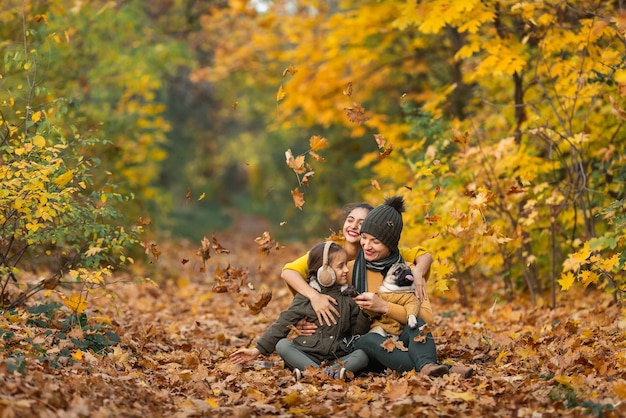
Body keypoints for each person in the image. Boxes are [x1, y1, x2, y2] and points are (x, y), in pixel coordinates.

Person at [351, 195, 473, 377]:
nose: (366, 246)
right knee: (370, 339)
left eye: (375, 241)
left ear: (390, 244)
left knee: (418, 323)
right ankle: (439, 368)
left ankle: (427, 368)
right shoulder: (350, 268)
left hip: (402, 339)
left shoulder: (408, 271)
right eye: (364, 237)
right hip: (368, 343)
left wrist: (385, 307)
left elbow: (426, 317)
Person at [230, 242, 371, 380]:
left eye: (346, 264)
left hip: (337, 358)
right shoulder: (305, 297)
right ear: (324, 271)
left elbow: (357, 332)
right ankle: (323, 374)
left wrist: (364, 314)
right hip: (307, 354)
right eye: (341, 266)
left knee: (362, 355)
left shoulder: (349, 297)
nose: (346, 270)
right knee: (282, 345)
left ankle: (312, 373)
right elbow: (282, 324)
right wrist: (256, 351)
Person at [281, 202, 433, 328]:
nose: (353, 226)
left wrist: (417, 273)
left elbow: (424, 255)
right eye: (350, 220)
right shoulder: (330, 251)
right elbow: (289, 272)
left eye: (361, 223)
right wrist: (314, 299)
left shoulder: (380, 251)